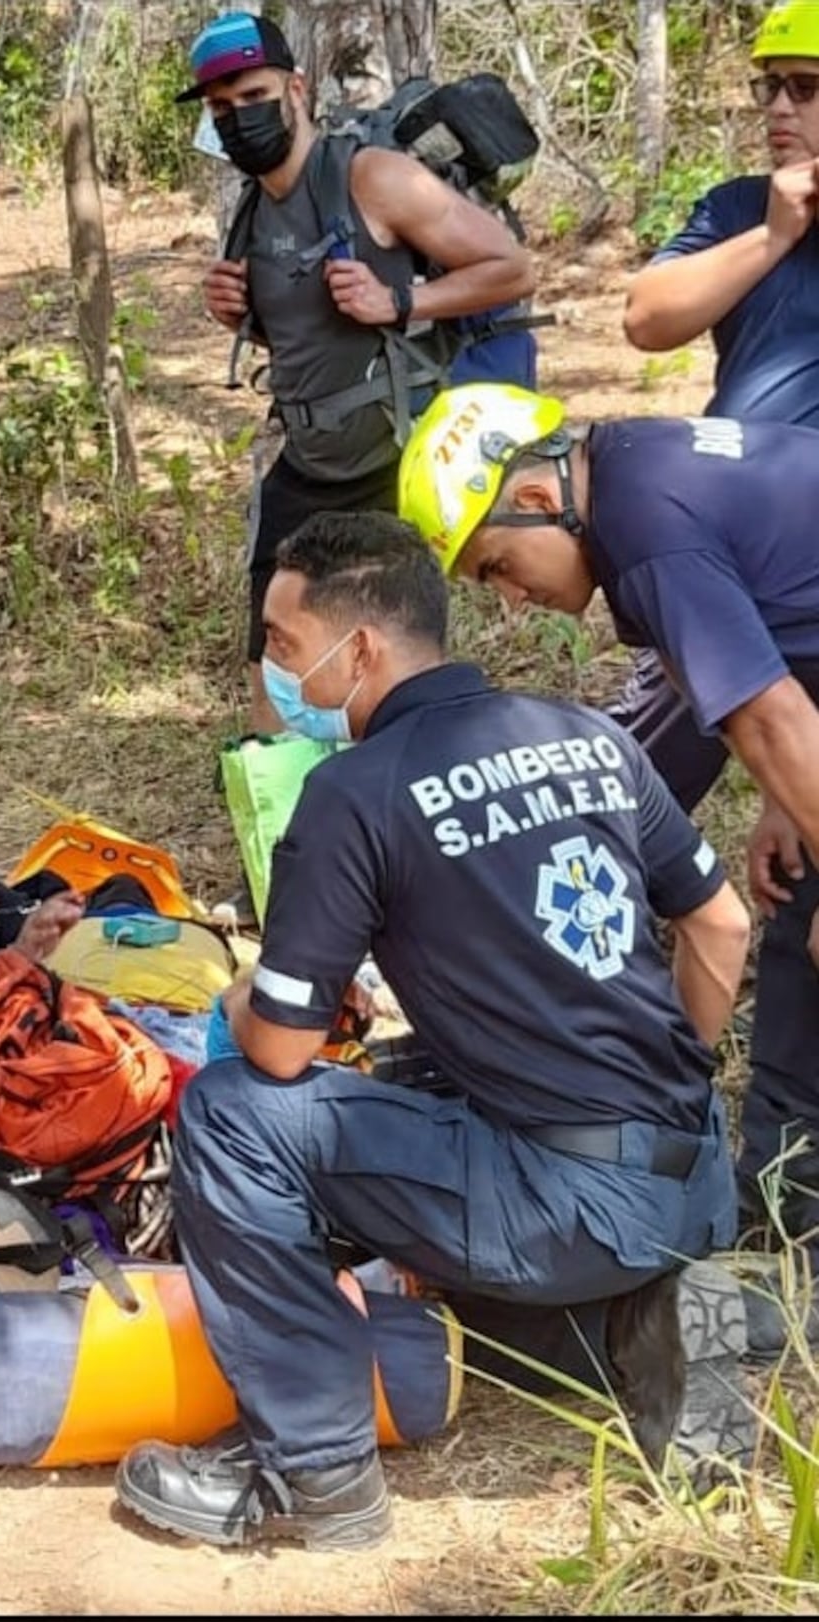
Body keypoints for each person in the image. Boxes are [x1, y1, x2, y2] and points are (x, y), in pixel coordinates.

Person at [113, 508, 752, 1551]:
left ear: (358, 647)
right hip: (694, 1171)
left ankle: (311, 1469)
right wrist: (653, 1082)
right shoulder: (588, 735)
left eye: (282, 646)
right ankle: (622, 1317)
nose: (274, 672)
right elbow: (720, 924)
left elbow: (279, 1046)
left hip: (565, 1201)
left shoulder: (352, 791)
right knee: (412, 1072)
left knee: (235, 1115)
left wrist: (239, 1001)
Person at [397, 380, 819, 1257]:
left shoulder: (645, 532)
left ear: (540, 497)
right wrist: (787, 799)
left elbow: (768, 716)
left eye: (498, 568)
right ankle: (786, 1211)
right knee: (798, 925)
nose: (508, 599)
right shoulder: (632, 470)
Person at [177, 11, 538, 737]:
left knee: (392, 669)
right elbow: (312, 340)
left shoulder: (370, 177)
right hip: (306, 463)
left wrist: (401, 300)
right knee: (274, 655)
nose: (239, 118)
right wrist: (237, 317)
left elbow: (512, 267)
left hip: (388, 460)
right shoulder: (253, 208)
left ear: (297, 87)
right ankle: (286, 820)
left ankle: (405, 808)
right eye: (221, 109)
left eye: (253, 96)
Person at [611, 0, 819, 819]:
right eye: (769, 87)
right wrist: (773, 236)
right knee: (636, 779)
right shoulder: (738, 208)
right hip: (723, 541)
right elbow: (645, 318)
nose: (777, 108)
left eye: (803, 89)